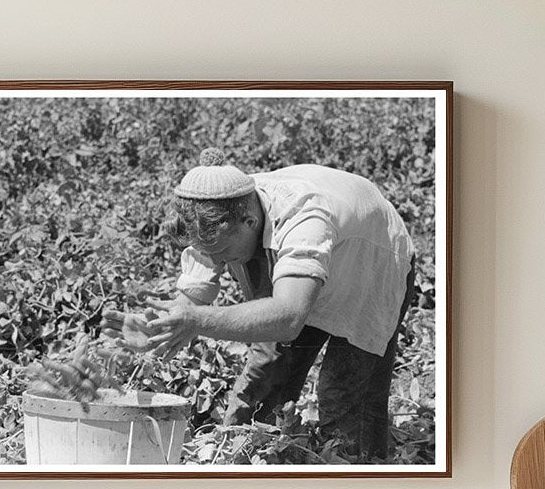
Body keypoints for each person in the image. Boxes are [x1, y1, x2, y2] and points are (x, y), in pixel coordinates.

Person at [101, 147, 416, 462]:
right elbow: (194, 294)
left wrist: (197, 320)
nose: (219, 263)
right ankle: (248, 469)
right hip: (296, 267)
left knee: (345, 399)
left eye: (223, 252)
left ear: (250, 221)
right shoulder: (213, 215)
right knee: (263, 381)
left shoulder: (305, 216)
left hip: (370, 265)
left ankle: (361, 484)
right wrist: (160, 328)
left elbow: (290, 316)